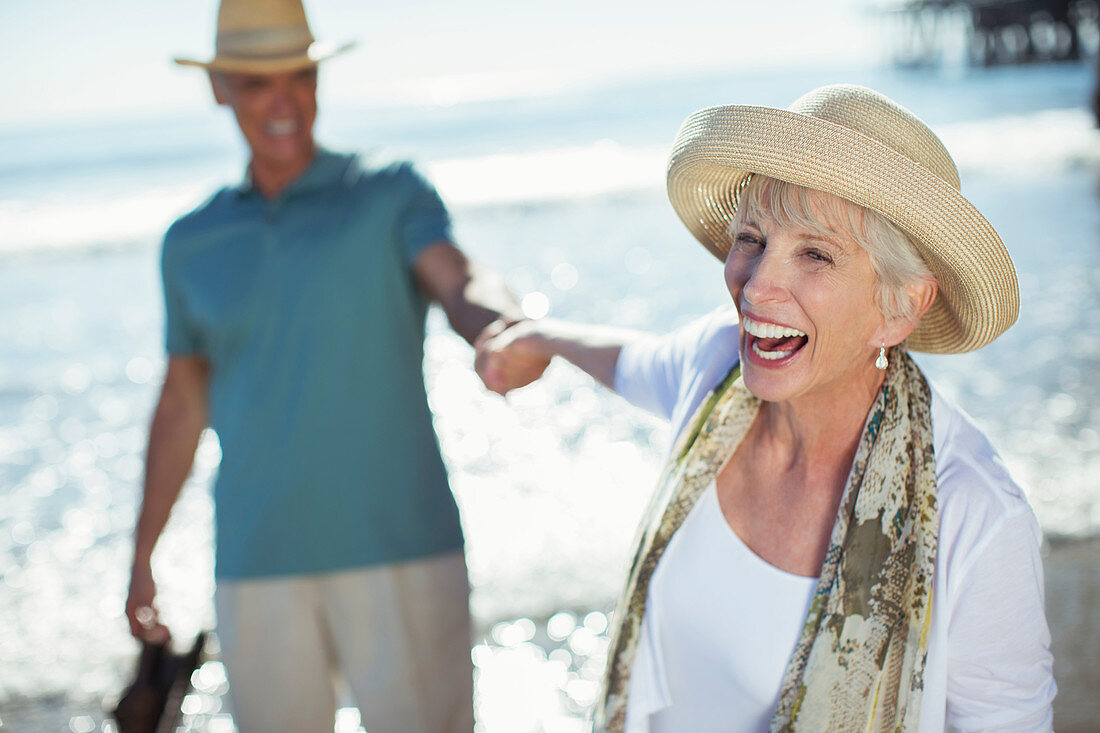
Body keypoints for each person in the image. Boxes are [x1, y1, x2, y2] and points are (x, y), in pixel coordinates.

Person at [476, 84, 1056, 731]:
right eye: (751, 237)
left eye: (814, 253)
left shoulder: (975, 516)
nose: (754, 286)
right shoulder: (714, 370)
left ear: (902, 305)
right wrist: (535, 338)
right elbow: (633, 360)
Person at [124, 0, 541, 730]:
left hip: (402, 544)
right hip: (255, 559)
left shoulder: (389, 191)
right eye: (257, 83)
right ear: (219, 88)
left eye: (299, 76)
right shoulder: (190, 241)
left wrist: (503, 325)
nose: (283, 101)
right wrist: (142, 556)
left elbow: (458, 275)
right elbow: (181, 407)